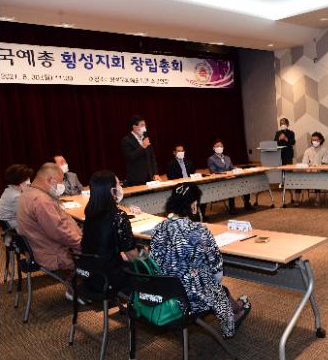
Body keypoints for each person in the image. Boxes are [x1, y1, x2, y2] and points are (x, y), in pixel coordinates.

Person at [150, 183, 250, 338]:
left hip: (166, 295)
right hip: (191, 300)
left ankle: (235, 307)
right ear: (194, 205)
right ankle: (231, 321)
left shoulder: (158, 228)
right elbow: (217, 274)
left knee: (206, 283)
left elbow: (154, 262)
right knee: (216, 287)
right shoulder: (200, 230)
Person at [17, 163, 82, 301]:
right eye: (60, 182)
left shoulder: (28, 193)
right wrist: (84, 244)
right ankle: (79, 289)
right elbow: (60, 233)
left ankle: (79, 285)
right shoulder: (41, 200)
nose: (61, 186)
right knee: (101, 253)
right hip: (54, 253)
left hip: (40, 248)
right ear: (51, 180)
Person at [81, 170, 139, 294]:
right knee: (147, 265)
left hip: (90, 274)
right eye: (118, 184)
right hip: (110, 278)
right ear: (112, 190)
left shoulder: (90, 212)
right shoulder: (118, 216)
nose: (120, 187)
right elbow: (132, 254)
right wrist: (145, 258)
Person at [206, 139, 253, 215]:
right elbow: (213, 172)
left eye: (221, 146)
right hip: (220, 181)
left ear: (223, 148)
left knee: (245, 182)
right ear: (213, 148)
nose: (219, 148)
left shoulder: (227, 158)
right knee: (231, 185)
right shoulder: (211, 159)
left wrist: (237, 169)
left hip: (231, 178)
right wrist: (225, 174)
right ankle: (232, 207)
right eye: (217, 146)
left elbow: (232, 168)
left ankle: (247, 203)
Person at [121, 115, 160, 186]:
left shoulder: (146, 138)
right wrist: (142, 147)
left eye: (145, 125)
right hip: (136, 179)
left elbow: (152, 157)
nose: (144, 127)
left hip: (150, 177)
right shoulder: (126, 140)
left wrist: (156, 173)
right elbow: (130, 157)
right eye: (142, 125)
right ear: (134, 127)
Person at [294, 132, 328, 207]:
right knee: (298, 179)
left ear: (320, 140)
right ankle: (297, 199)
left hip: (320, 172)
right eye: (313, 140)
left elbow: (324, 164)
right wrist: (309, 168)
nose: (314, 141)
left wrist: (317, 168)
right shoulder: (308, 151)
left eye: (316, 140)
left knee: (317, 178)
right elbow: (304, 163)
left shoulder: (325, 151)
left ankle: (317, 198)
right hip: (309, 172)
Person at [0, 164, 34, 230]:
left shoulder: (9, 189)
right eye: (27, 178)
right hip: (13, 225)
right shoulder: (16, 196)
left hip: (9, 222)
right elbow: (25, 216)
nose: (29, 182)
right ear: (20, 180)